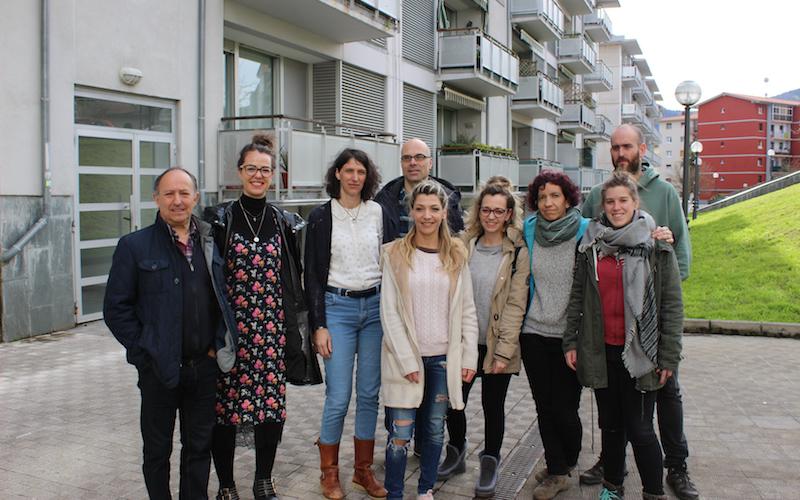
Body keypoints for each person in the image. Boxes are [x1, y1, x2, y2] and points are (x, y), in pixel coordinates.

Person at [580, 124, 699, 500]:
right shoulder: (598, 194)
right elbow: (586, 237)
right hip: (611, 332)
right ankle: (611, 469)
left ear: (641, 149)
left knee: (666, 397)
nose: (620, 152)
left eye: (627, 146)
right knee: (616, 417)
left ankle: (676, 467)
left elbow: (679, 251)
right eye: (615, 147)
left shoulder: (664, 192)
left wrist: (661, 293)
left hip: (651, 326)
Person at [104, 167, 236, 500]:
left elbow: (222, 297)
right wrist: (145, 351)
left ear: (195, 197)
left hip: (203, 367)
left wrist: (216, 347)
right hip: (158, 370)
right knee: (157, 450)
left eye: (184, 193)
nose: (177, 201)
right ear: (156, 199)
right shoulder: (134, 246)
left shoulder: (209, 241)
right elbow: (116, 309)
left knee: (198, 448)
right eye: (169, 194)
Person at [563, 172, 684, 500]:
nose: (616, 207)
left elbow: (672, 306)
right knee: (611, 426)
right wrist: (571, 341)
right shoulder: (590, 244)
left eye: (623, 201)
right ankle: (612, 488)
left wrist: (669, 356)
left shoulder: (656, 245)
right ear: (602, 205)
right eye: (610, 202)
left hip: (642, 353)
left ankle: (653, 493)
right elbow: (577, 297)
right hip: (602, 351)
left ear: (635, 203)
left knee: (640, 429)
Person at [204, 133, 311, 500]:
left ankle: (263, 480)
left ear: (273, 175)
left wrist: (297, 331)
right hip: (231, 332)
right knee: (225, 411)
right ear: (239, 171)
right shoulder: (219, 219)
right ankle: (226, 485)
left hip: (271, 331)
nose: (258, 176)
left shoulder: (284, 222)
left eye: (265, 170)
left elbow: (294, 278)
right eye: (252, 168)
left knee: (270, 409)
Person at [380, 180, 478, 500]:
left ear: (444, 212)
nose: (427, 215)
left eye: (434, 209)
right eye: (420, 209)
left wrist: (469, 357)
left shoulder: (457, 254)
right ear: (411, 212)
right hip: (403, 361)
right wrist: (408, 361)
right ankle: (395, 493)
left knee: (435, 431)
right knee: (400, 434)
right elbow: (389, 313)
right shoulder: (394, 254)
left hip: (443, 360)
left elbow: (467, 310)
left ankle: (425, 491)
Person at [304, 149, 391, 499]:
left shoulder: (377, 212)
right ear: (337, 173)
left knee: (369, 394)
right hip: (336, 308)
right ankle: (329, 473)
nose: (355, 177)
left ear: (367, 176)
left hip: (374, 310)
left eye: (361, 171)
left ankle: (362, 471)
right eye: (349, 170)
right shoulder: (321, 216)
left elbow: (390, 260)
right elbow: (312, 275)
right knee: (338, 396)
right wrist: (318, 325)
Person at [436, 179, 529, 498]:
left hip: (497, 344)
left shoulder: (517, 252)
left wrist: (504, 351)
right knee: (454, 400)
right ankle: (456, 451)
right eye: (486, 210)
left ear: (509, 214)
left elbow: (516, 304)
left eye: (498, 211)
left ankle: (490, 461)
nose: (491, 216)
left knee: (493, 405)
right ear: (478, 211)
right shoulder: (464, 244)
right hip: (463, 342)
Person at [519, 171, 589, 500]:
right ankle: (557, 469)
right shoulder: (529, 229)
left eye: (555, 196)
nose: (548, 203)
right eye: (542, 197)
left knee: (565, 408)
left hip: (569, 337)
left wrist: (658, 233)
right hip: (533, 332)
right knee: (544, 407)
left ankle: (567, 459)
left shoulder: (586, 230)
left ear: (568, 199)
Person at [374, 138, 464, 240]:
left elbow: (456, 238)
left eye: (419, 157)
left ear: (430, 163)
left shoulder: (449, 198)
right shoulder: (384, 200)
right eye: (407, 158)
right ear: (401, 163)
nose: (412, 162)